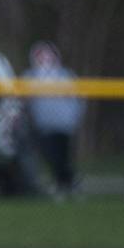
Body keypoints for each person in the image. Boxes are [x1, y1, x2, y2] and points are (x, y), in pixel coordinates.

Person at [25, 41, 86, 199]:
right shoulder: (31, 76)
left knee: (62, 155)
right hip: (43, 125)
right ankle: (69, 182)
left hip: (64, 124)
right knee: (50, 154)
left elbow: (78, 99)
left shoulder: (65, 75)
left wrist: (75, 118)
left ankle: (65, 184)